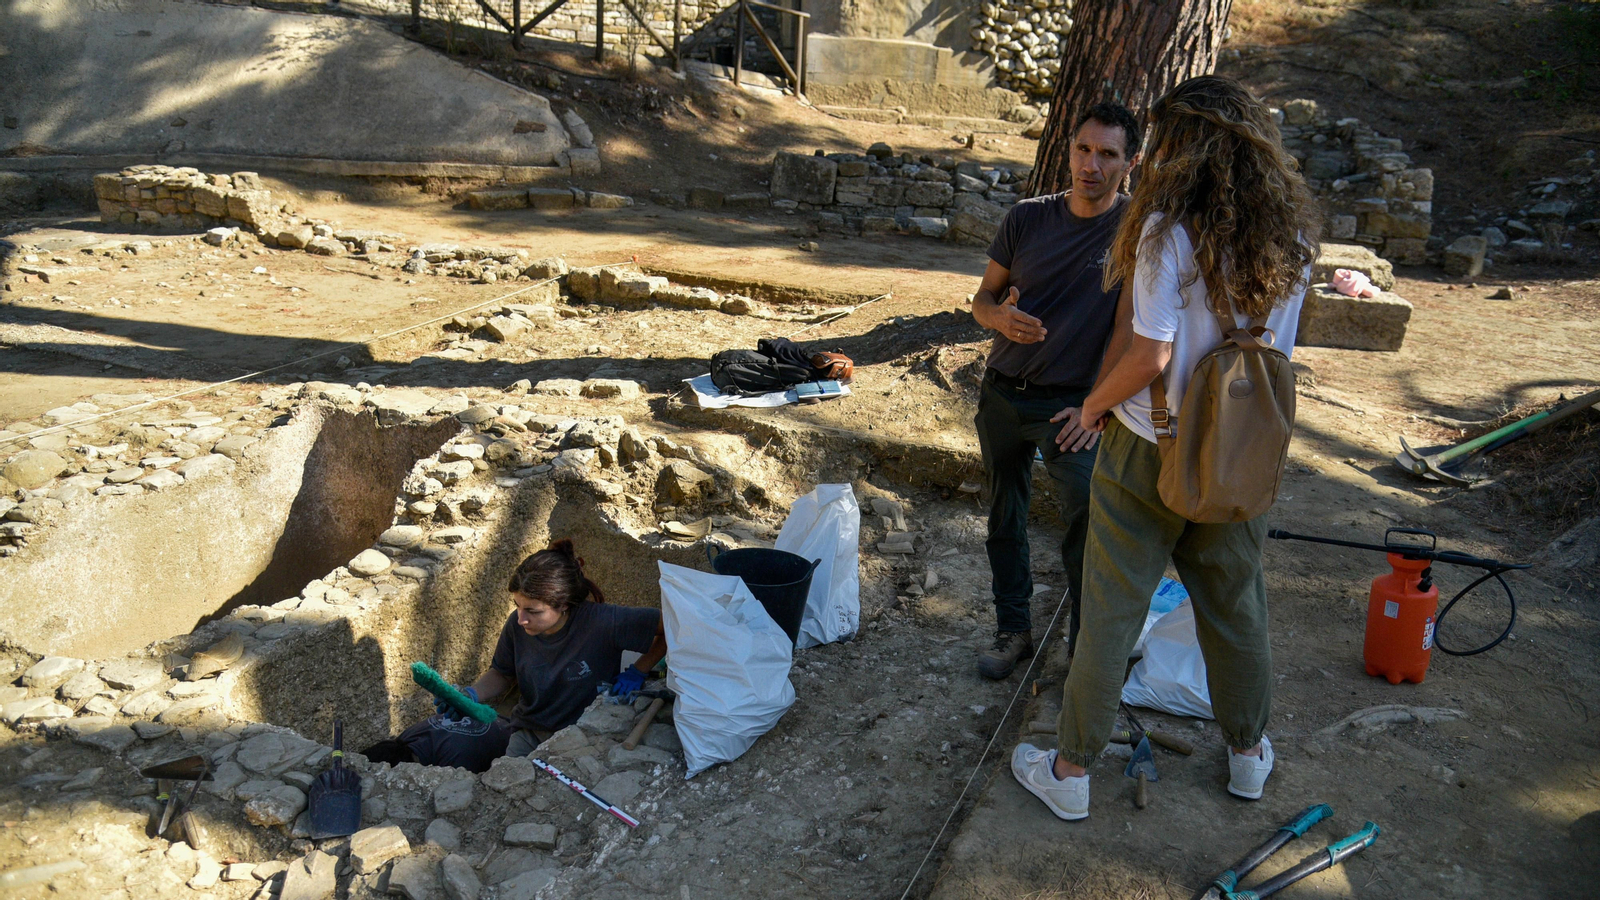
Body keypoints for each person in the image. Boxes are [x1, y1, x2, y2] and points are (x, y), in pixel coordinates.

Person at [1011, 75, 1319, 819]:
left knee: (1111, 613)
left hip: (1152, 448)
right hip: (1242, 451)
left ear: (1181, 146)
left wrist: (1091, 404)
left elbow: (1150, 355)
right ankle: (1247, 756)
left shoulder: (1165, 232)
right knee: (1236, 610)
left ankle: (1072, 771)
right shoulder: (1296, 238)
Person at [969, 102, 1142, 680]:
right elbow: (982, 300)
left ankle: (1081, 648)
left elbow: (1132, 330)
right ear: (1069, 150)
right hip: (1001, 394)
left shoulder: (1135, 232)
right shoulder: (1025, 218)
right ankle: (1012, 629)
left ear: (1130, 162)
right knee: (1003, 517)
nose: (1090, 165)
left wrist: (1096, 405)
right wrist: (999, 321)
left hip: (1071, 409)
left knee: (1088, 526)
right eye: (1082, 149)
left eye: (1107, 154)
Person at [459, 539, 668, 757]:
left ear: (564, 604)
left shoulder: (603, 622)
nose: (522, 619)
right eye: (518, 607)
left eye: (533, 611)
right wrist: (471, 695)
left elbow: (674, 626)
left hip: (582, 736)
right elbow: (502, 673)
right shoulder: (517, 624)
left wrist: (639, 670)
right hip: (529, 731)